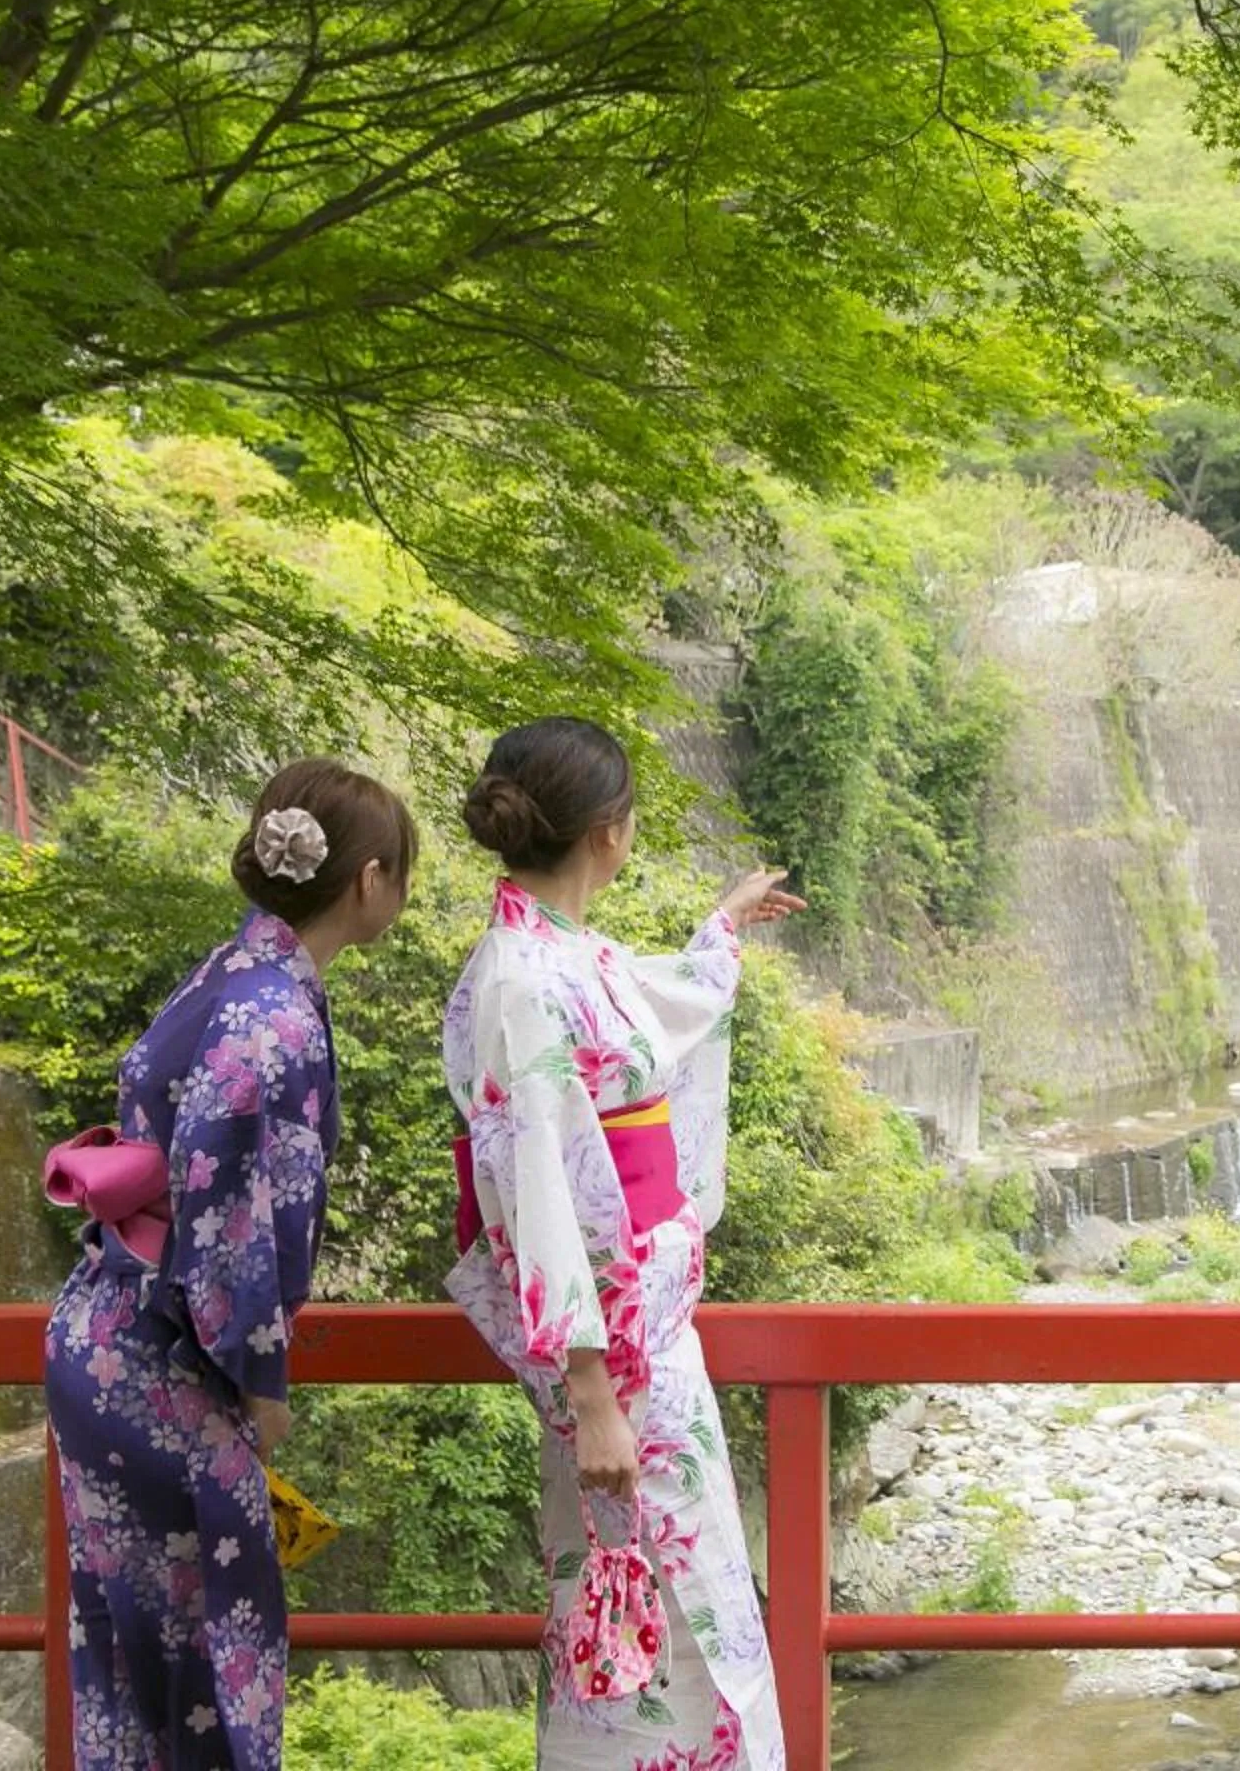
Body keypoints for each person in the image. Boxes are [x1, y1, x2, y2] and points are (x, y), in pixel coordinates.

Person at [442, 717, 801, 1771]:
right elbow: (539, 1183)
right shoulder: (520, 975)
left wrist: (720, 930)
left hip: (647, 1328)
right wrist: (592, 1388)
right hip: (615, 1357)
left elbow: (654, 1010)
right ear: (610, 829)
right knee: (644, 1596)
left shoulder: (559, 954)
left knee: (689, 1598)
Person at [43, 759, 416, 1771]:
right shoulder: (278, 1017)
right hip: (169, 1360)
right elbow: (237, 1214)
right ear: (371, 879)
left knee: (135, 1655)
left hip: (109, 1333)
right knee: (213, 1648)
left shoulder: (230, 971)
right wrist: (259, 1377)